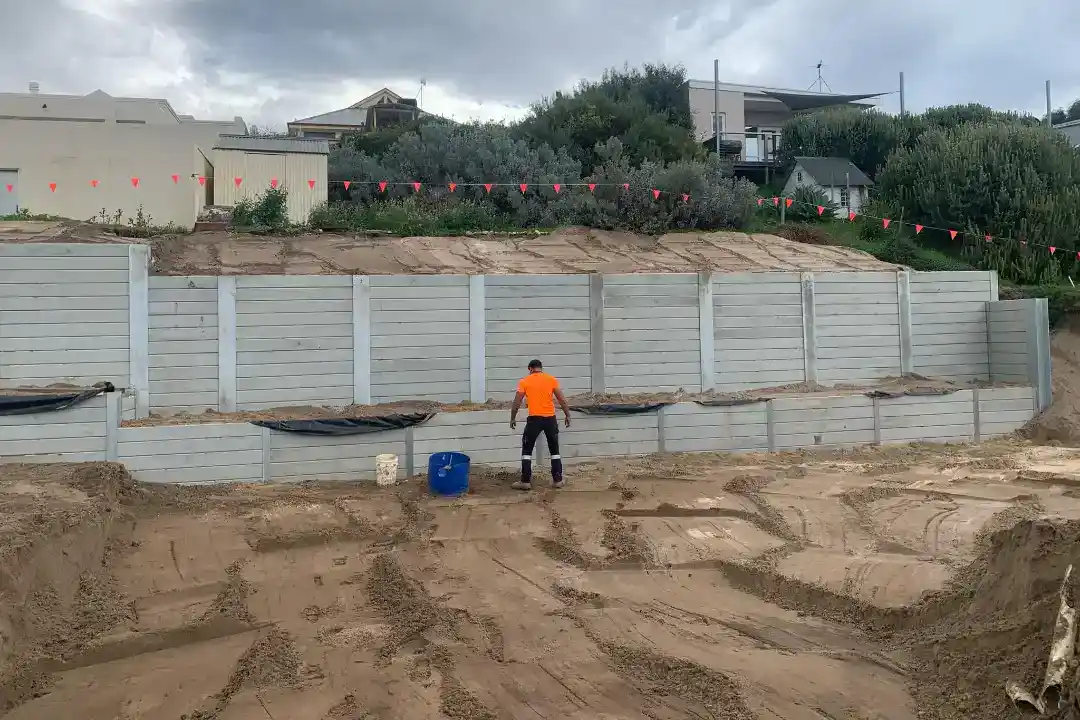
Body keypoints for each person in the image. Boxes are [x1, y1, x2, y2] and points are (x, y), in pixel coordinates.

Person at [509, 359, 572, 490]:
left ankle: (525, 481)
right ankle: (558, 480)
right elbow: (561, 399)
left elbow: (517, 402)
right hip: (550, 419)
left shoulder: (525, 381)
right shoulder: (551, 379)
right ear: (541, 368)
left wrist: (512, 418)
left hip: (534, 419)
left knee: (527, 450)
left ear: (530, 368)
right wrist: (567, 415)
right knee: (554, 450)